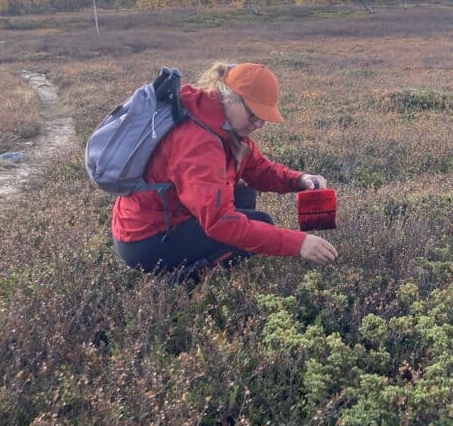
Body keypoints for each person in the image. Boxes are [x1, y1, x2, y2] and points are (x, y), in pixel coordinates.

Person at [112, 62, 338, 282]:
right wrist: (298, 243)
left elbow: (257, 169)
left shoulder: (217, 119)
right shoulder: (200, 144)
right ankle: (181, 279)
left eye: (263, 118)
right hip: (146, 240)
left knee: (244, 192)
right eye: (253, 115)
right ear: (230, 98)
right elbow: (221, 223)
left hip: (166, 216)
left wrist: (299, 180)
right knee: (260, 223)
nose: (258, 125)